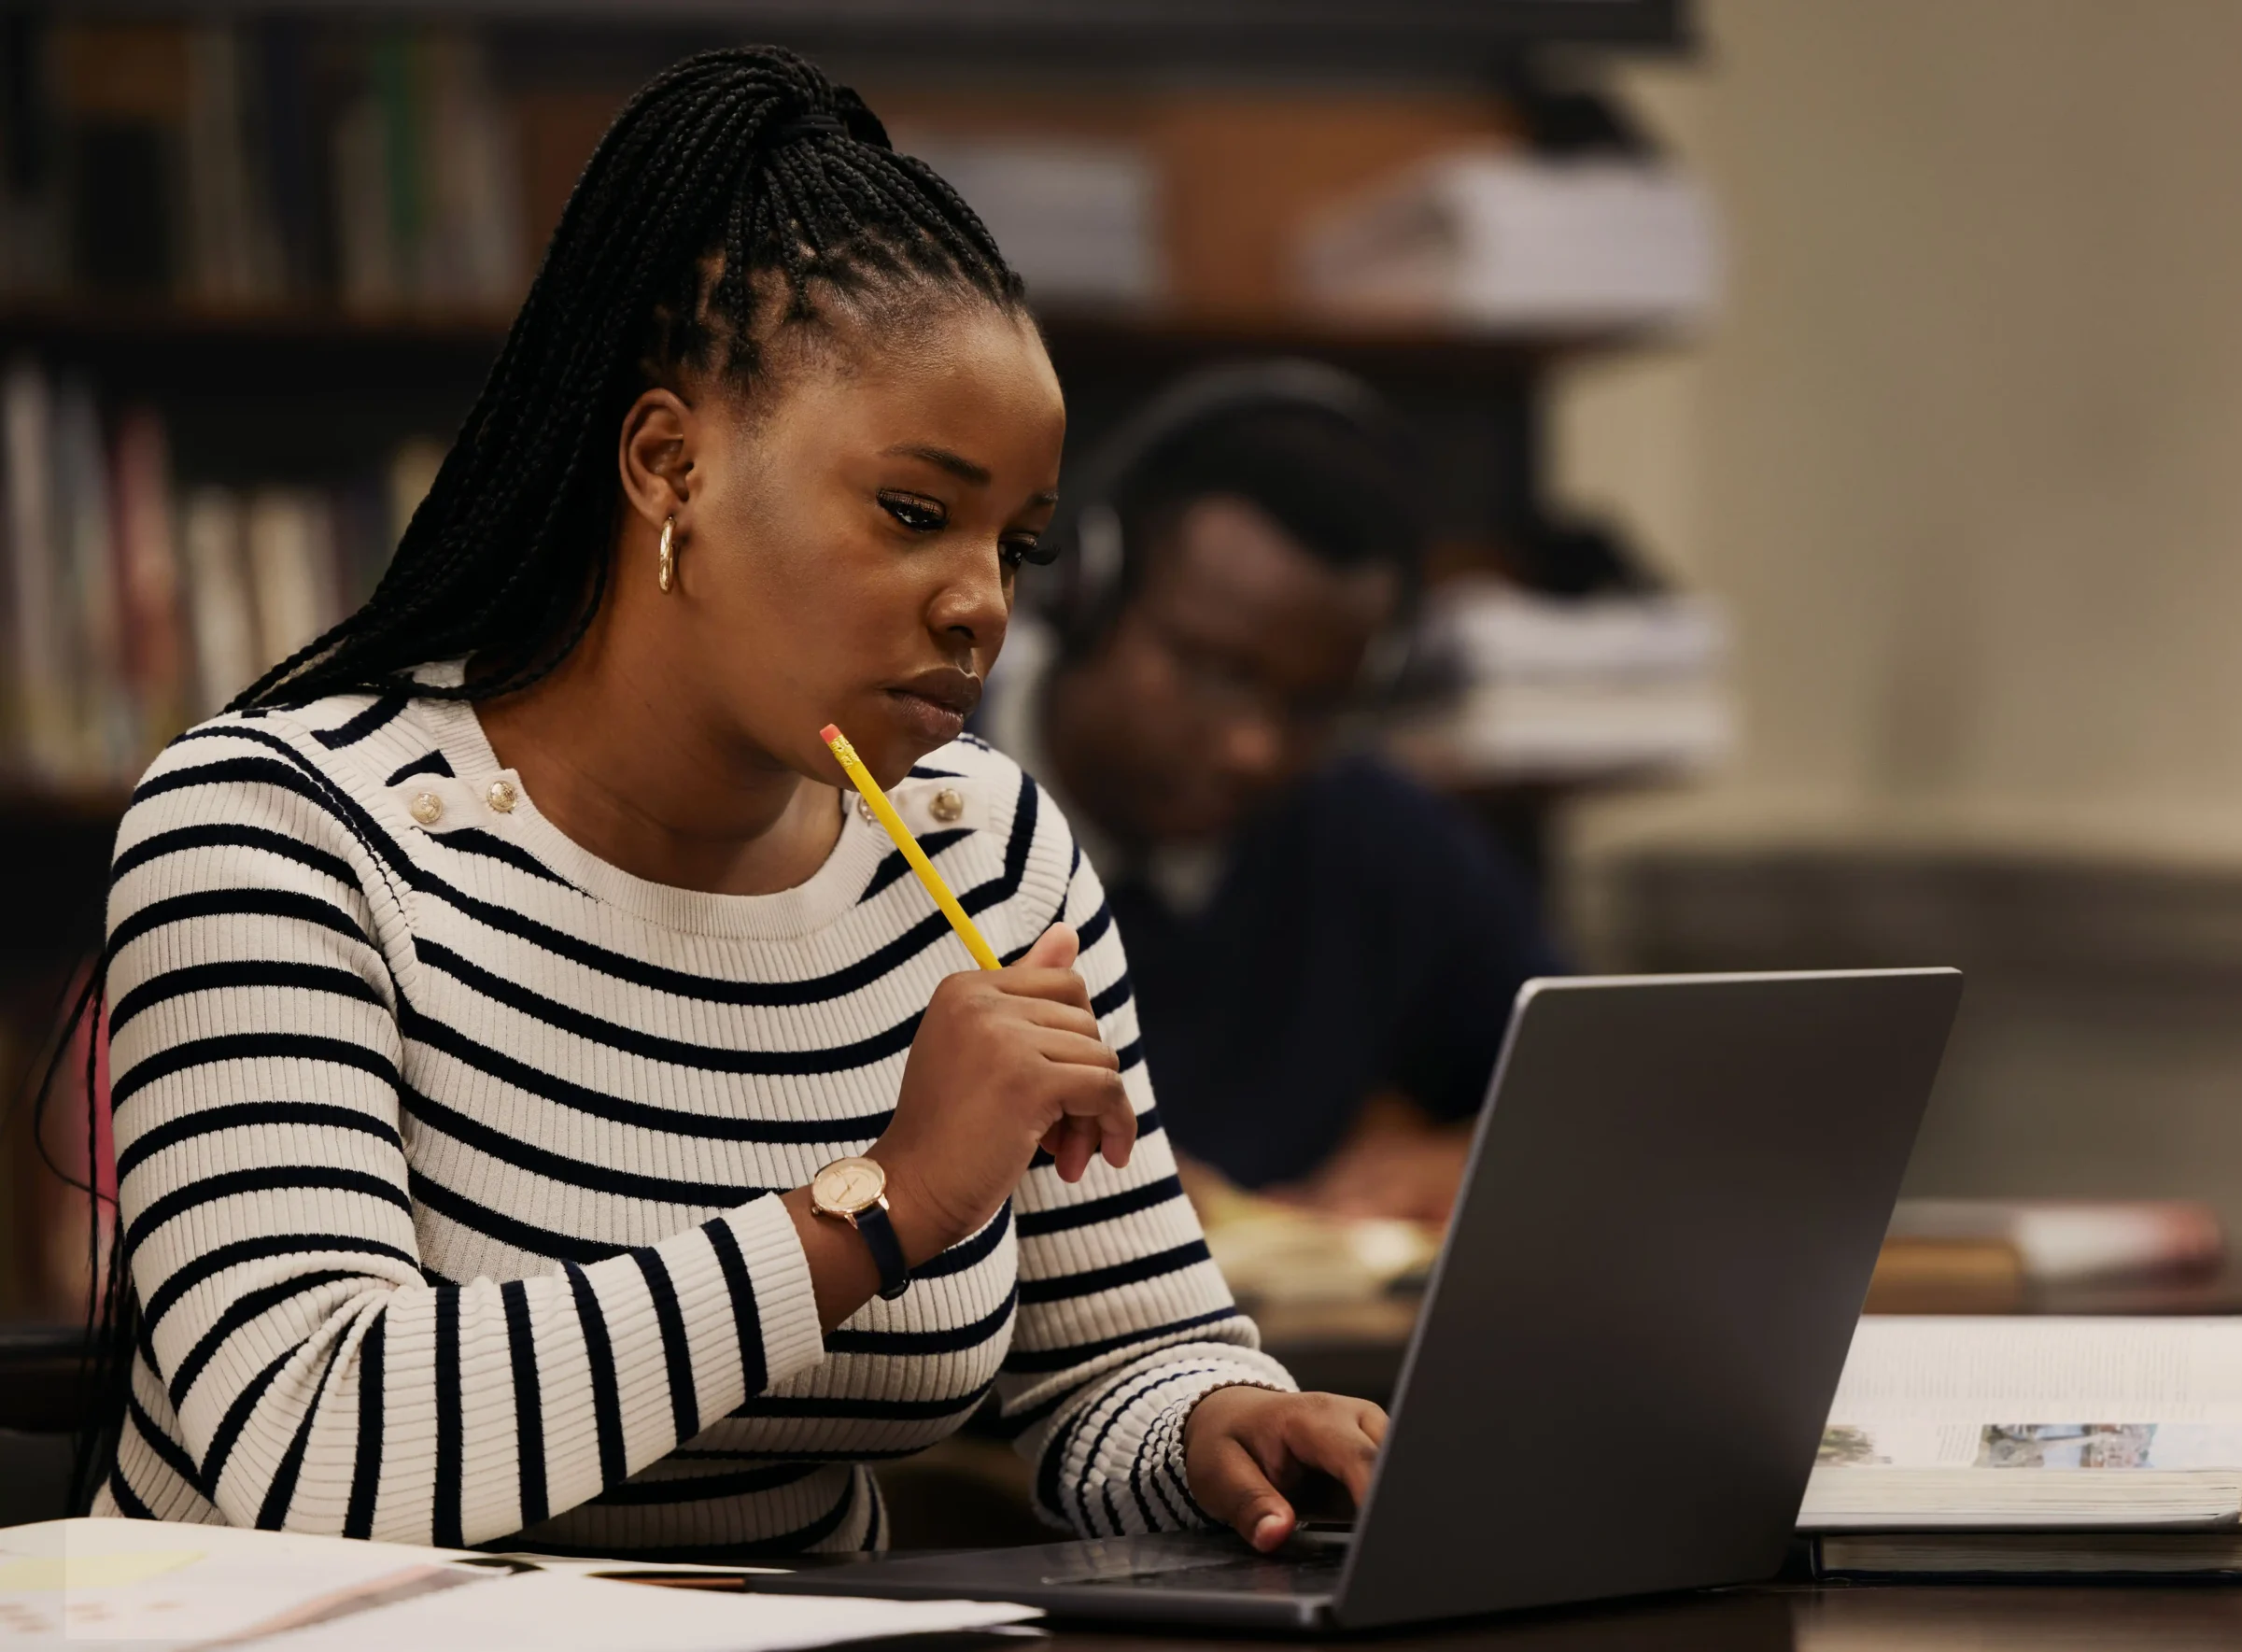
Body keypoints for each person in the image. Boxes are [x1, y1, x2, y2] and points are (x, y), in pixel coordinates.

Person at [91, 49, 1382, 1559]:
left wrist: (1223, 1421)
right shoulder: (276, 831)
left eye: (1017, 544)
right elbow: (309, 1448)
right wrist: (879, 1205)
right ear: (668, 464)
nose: (980, 604)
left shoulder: (988, 850)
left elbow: (1117, 1363)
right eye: (914, 512)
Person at [980, 367, 1563, 1225]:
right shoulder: (905, 790)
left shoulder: (1369, 831)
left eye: (1313, 704)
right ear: (1083, 594)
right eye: (1213, 669)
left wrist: (1472, 1162)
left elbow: (1595, 1090)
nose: (1255, 748)